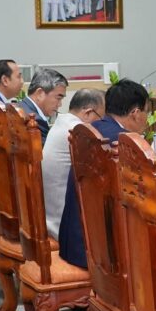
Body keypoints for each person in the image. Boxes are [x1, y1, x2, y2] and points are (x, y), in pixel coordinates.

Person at [58, 79, 149, 267]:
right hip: (98, 257)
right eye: (146, 112)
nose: (147, 119)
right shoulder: (122, 143)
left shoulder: (90, 130)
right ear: (135, 113)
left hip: (73, 244)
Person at [42, 89, 105, 239]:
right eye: (101, 119)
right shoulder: (77, 131)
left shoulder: (61, 122)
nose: (100, 124)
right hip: (63, 226)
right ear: (88, 113)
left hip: (49, 217)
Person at [18, 68, 68, 144]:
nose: (60, 104)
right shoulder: (35, 121)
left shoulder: (19, 107)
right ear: (40, 93)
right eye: (58, 98)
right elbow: (47, 150)